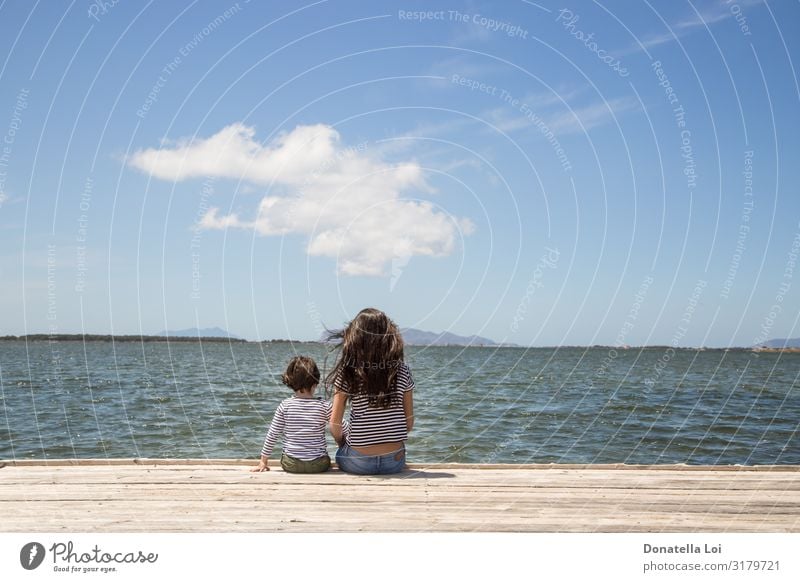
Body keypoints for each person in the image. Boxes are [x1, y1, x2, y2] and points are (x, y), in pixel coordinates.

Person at [326, 307, 415, 475]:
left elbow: (335, 424)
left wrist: (342, 443)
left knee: (341, 454)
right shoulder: (403, 371)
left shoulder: (348, 372)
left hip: (358, 462)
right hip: (394, 462)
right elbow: (409, 423)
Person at [252, 356, 331, 473]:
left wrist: (263, 461)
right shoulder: (324, 405)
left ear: (291, 381)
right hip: (318, 464)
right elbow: (341, 426)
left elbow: (272, 434)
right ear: (315, 382)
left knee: (285, 454)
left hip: (291, 464)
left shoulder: (285, 406)